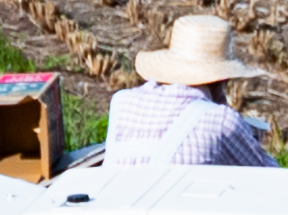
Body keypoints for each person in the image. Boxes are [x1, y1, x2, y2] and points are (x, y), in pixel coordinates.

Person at [103, 13, 278, 168]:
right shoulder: (219, 120)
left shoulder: (122, 102)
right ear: (222, 79)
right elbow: (269, 178)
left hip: (113, 203)